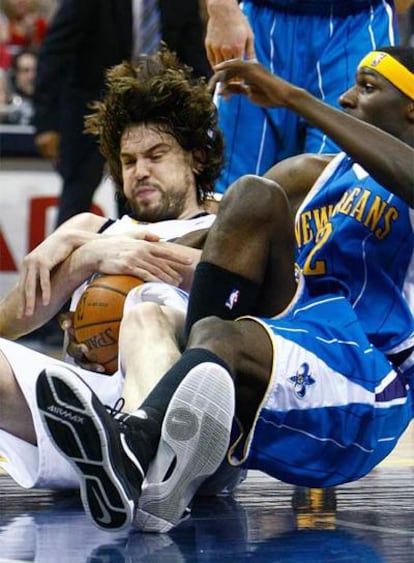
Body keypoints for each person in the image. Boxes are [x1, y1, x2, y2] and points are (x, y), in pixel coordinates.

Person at [32, 45, 414, 534]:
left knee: (217, 322)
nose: (344, 97)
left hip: (371, 379)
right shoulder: (314, 175)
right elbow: (210, 238)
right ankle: (159, 446)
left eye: (367, 87)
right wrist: (86, 259)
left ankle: (144, 442)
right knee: (248, 208)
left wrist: (293, 97)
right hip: (310, 328)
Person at [0, 49, 235, 501]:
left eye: (156, 155)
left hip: (187, 427)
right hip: (87, 418)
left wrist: (123, 255)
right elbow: (10, 326)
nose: (140, 171)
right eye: (128, 162)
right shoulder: (92, 231)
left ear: (197, 158)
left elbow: (238, 291)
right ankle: (110, 453)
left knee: (149, 315)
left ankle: (140, 452)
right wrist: (88, 256)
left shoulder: (231, 219)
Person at [204, 0, 413, 194]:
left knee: (338, 190)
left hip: (356, 20)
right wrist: (221, 7)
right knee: (228, 188)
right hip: (260, 21)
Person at [33, 0, 212, 227]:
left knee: (141, 202)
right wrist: (46, 122)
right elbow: (55, 51)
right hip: (89, 113)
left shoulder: (180, 4)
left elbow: (193, 59)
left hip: (154, 115)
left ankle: (144, 257)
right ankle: (62, 258)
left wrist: (207, 109)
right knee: (77, 196)